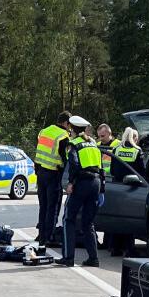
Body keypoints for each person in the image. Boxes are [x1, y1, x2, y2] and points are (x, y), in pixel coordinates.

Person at [60, 117, 104, 268]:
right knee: (88, 223)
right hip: (96, 184)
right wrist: (102, 190)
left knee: (68, 219)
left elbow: (74, 164)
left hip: (82, 183)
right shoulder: (93, 143)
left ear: (72, 129)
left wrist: (70, 182)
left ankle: (68, 258)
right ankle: (93, 258)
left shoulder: (74, 144)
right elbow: (101, 167)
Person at [34, 111, 75, 245]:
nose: (70, 128)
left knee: (43, 205)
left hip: (40, 173)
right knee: (53, 207)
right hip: (53, 174)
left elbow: (39, 151)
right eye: (70, 125)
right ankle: (49, 237)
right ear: (65, 123)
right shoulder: (63, 136)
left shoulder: (44, 131)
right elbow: (66, 159)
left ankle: (41, 235)